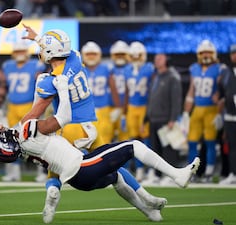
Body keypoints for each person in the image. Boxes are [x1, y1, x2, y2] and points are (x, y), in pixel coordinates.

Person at [0, 74, 200, 223]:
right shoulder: (27, 129)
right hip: (83, 167)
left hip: (76, 180)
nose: (1, 133)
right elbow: (62, 118)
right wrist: (62, 89)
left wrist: (9, 129)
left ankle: (149, 210)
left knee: (117, 177)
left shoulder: (23, 148)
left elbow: (23, 127)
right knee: (133, 145)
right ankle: (176, 175)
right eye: (1, 136)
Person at [21, 25, 168, 224]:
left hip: (69, 128)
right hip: (90, 126)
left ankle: (53, 193)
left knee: (54, 173)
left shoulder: (49, 81)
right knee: (114, 166)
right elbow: (59, 50)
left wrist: (17, 128)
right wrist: (38, 38)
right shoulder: (75, 59)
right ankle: (147, 205)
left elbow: (35, 112)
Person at [0, 41, 46, 182]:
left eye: (22, 51)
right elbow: (4, 86)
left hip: (29, 107)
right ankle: (14, 172)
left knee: (36, 139)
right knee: (12, 140)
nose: (20, 54)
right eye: (17, 51)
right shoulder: (7, 66)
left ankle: (43, 171)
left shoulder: (35, 65)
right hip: (12, 107)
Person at [181, 40, 225, 182]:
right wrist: (186, 112)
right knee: (192, 141)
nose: (205, 55)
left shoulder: (219, 68)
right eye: (203, 52)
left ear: (213, 54)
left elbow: (222, 90)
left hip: (211, 109)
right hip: (197, 109)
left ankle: (209, 173)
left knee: (210, 142)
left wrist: (219, 110)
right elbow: (191, 90)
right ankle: (191, 172)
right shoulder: (194, 68)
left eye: (208, 52)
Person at [142, 53, 183, 185]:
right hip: (154, 118)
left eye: (160, 58)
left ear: (167, 60)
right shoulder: (156, 77)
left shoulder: (173, 77)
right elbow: (151, 99)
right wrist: (146, 119)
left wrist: (173, 119)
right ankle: (157, 174)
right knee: (156, 149)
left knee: (168, 149)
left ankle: (170, 175)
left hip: (165, 119)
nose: (156, 60)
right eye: (156, 58)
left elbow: (176, 100)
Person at [125, 41, 154, 181]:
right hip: (131, 107)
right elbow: (126, 91)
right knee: (133, 140)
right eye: (134, 56)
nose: (136, 59)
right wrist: (124, 111)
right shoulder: (127, 70)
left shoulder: (149, 68)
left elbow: (153, 90)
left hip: (144, 107)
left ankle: (151, 170)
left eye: (138, 56)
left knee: (147, 140)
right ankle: (140, 170)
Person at [81, 41, 120, 143]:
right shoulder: (80, 69)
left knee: (104, 141)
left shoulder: (106, 68)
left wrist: (118, 107)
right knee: (85, 141)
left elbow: (113, 88)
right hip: (86, 111)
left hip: (103, 110)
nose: (91, 57)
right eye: (88, 54)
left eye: (93, 54)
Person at [218, 44, 236, 185]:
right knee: (231, 146)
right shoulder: (228, 72)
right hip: (230, 115)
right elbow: (225, 93)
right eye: (233, 53)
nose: (234, 56)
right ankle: (232, 173)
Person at [108, 40, 130, 142]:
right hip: (111, 108)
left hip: (127, 109)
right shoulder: (108, 69)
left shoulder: (131, 69)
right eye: (118, 54)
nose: (120, 57)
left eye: (122, 54)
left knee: (125, 138)